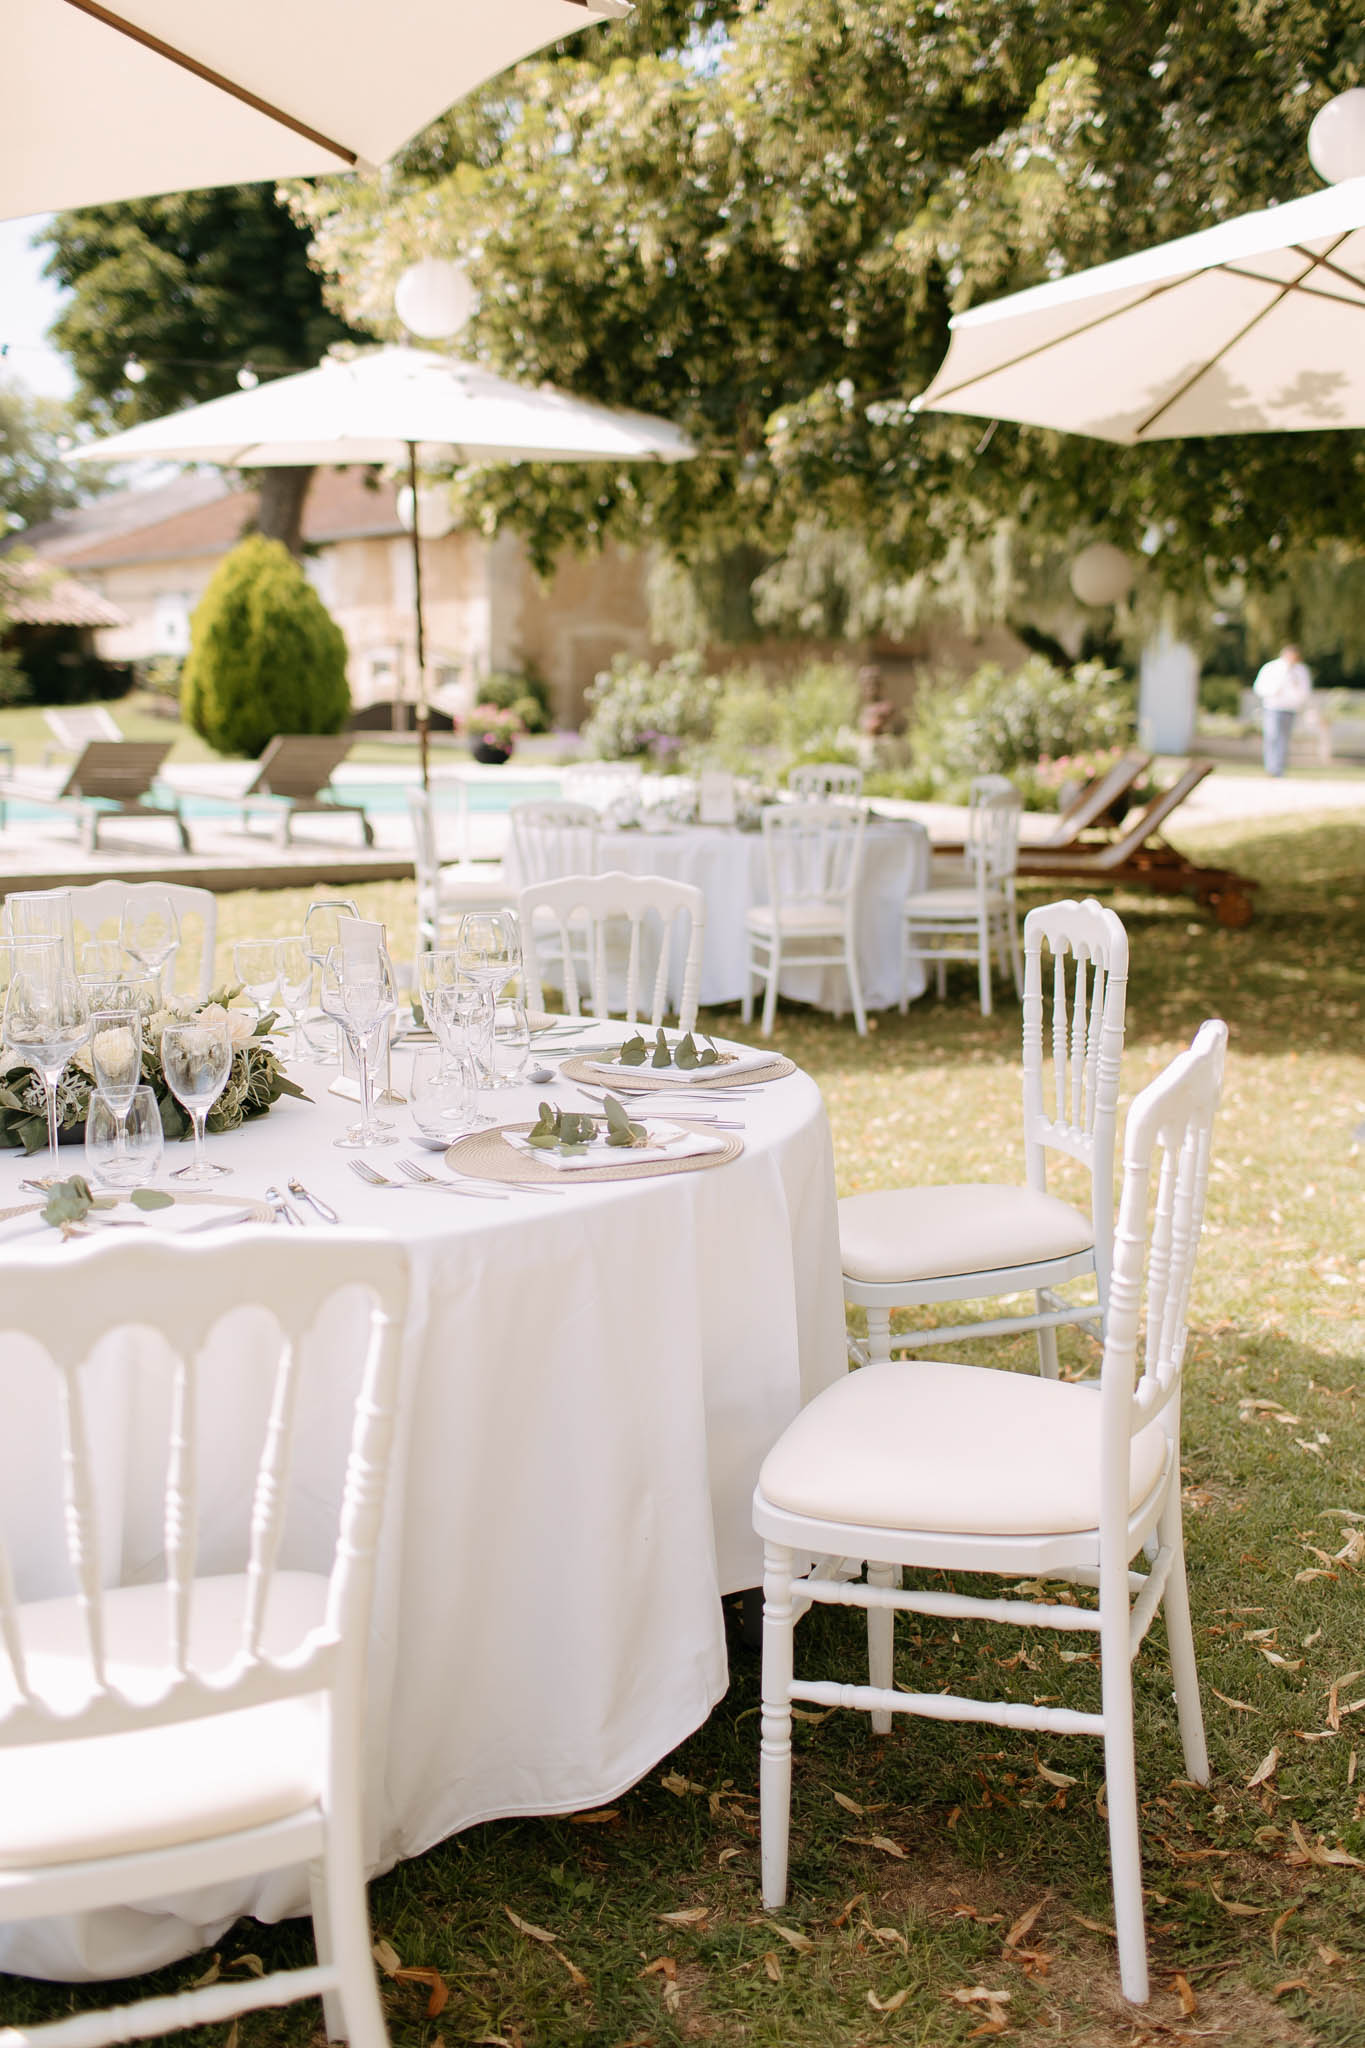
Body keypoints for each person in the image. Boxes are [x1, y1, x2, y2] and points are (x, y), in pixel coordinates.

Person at [1252, 643, 1312, 777]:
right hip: (1273, 707)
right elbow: (1260, 688)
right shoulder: (1272, 668)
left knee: (1284, 739)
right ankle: (1271, 767)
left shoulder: (1301, 671)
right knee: (1272, 736)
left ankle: (1278, 768)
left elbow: (1305, 692)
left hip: (1290, 709)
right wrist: (1274, 689)